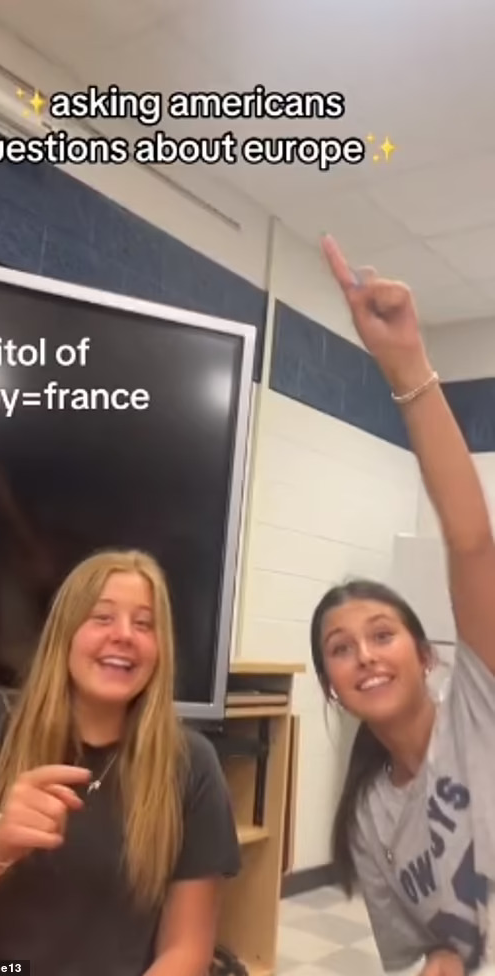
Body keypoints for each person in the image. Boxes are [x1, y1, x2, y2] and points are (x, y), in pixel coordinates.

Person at [0, 549, 241, 975]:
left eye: (144, 624)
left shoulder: (191, 765)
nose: (124, 635)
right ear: (64, 633)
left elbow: (186, 949)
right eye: (102, 617)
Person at [310, 235, 495, 976]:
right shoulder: (367, 819)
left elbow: (471, 541)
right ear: (332, 688)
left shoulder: (477, 712)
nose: (365, 656)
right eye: (341, 648)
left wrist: (407, 366)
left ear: (426, 656)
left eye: (382, 634)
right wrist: (444, 956)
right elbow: (421, 955)